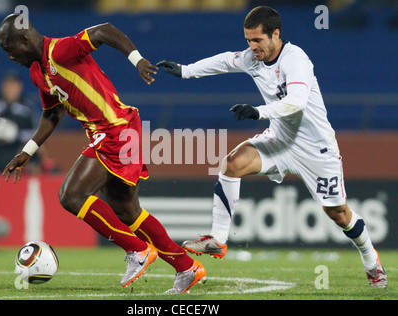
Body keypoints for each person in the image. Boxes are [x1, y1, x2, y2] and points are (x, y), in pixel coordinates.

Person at [157, 6, 387, 288]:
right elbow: (225, 61)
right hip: (280, 140)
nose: (252, 47)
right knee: (231, 164)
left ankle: (370, 258)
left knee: (338, 213)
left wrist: (257, 112)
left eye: (257, 40)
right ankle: (218, 239)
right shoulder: (252, 58)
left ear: (275, 34)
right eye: (248, 41)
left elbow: (297, 102)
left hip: (316, 149)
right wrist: (185, 71)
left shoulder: (296, 59)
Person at [0, 13, 205, 293]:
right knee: (127, 210)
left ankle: (138, 251)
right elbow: (52, 112)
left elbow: (104, 30)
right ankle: (186, 268)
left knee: (71, 196)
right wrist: (28, 151)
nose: (10, 57)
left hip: (115, 130)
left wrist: (137, 60)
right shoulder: (38, 71)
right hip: (113, 132)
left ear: (24, 39)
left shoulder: (60, 51)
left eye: (10, 49)